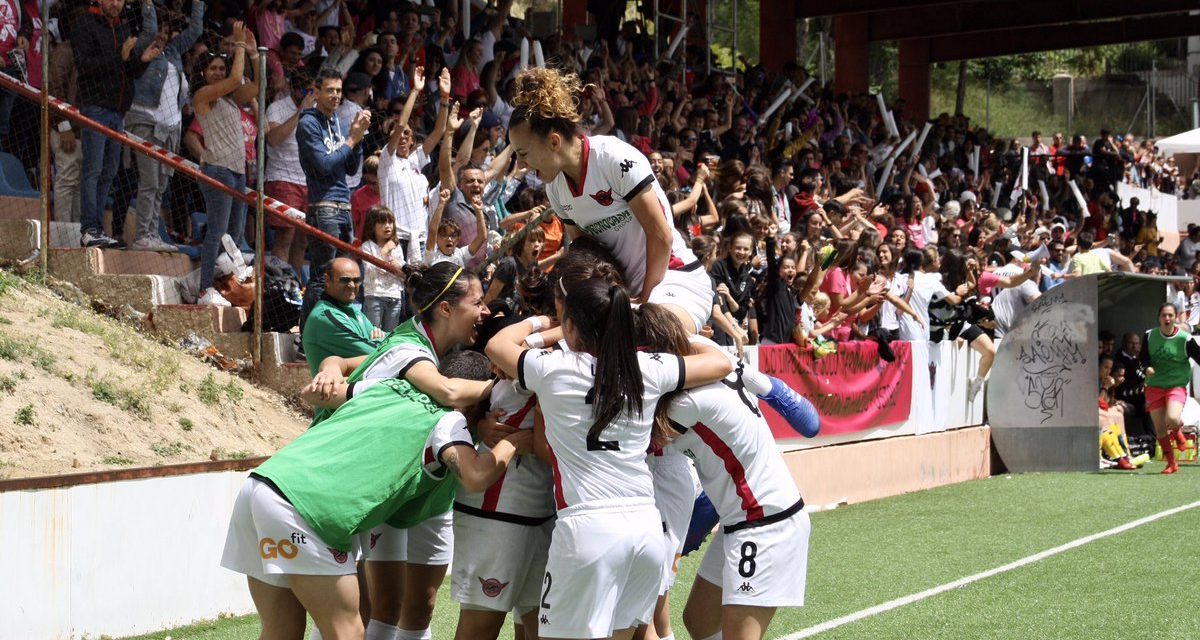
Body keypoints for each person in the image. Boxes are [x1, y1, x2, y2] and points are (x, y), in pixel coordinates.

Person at [221, 342, 530, 640]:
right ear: (473, 401)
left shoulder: (389, 386)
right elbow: (475, 476)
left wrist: (331, 366)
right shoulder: (448, 421)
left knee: (281, 631)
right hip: (304, 509)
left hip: (261, 485)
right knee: (349, 632)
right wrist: (514, 441)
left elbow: (314, 394)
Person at [485, 282, 734, 640]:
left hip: (587, 527)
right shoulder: (647, 367)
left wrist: (541, 325)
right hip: (644, 526)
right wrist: (670, 336)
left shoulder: (552, 367)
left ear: (570, 326)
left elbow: (497, 345)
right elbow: (720, 362)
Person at [308, 261, 494, 640]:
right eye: (478, 302)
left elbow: (345, 364)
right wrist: (518, 381)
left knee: (399, 608)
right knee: (365, 610)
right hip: (351, 482)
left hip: (402, 484)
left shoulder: (433, 347)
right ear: (446, 308)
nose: (485, 310)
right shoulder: (408, 348)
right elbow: (450, 393)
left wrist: (330, 365)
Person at [635, 308, 811, 640]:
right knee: (699, 621)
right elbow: (811, 423)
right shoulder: (719, 360)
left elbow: (634, 443)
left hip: (764, 522)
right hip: (740, 519)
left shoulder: (684, 404)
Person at [507, 67, 713, 336]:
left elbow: (661, 234)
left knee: (648, 335)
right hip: (622, 295)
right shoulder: (556, 189)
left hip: (674, 277)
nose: (521, 166)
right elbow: (586, 252)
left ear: (554, 142)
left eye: (523, 154)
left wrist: (645, 300)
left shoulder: (613, 158)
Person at [73, 0, 162, 248]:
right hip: (96, 108)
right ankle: (89, 229)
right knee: (93, 170)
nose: (116, 4)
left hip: (118, 112)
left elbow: (128, 70)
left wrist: (142, 60)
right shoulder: (84, 24)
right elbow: (84, 66)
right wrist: (119, 56)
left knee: (109, 172)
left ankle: (98, 229)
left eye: (120, 0)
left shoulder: (122, 28)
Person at [125, 0, 205, 252]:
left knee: (160, 184)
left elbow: (194, 30)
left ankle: (151, 233)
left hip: (171, 128)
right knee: (149, 181)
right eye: (159, 29)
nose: (161, 35)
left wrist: (198, 4)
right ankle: (141, 236)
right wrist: (148, 4)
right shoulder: (140, 49)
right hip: (145, 122)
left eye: (166, 31)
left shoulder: (172, 52)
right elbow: (149, 30)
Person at [297, 66, 372, 327]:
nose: (335, 96)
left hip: (343, 205)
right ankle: (306, 337)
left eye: (339, 91)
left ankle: (332, 329)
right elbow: (325, 165)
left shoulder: (337, 123)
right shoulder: (308, 123)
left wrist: (359, 139)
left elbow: (351, 168)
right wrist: (352, 139)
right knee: (323, 275)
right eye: (329, 90)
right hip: (323, 206)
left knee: (343, 275)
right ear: (316, 92)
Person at [192, 23, 259, 306]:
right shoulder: (203, 96)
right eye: (213, 69)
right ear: (203, 74)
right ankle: (204, 288)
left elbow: (258, 87)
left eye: (222, 68)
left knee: (234, 236)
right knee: (217, 232)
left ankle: (223, 286)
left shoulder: (231, 101)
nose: (218, 73)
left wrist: (255, 55)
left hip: (236, 172)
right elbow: (234, 81)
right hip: (217, 169)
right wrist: (240, 46)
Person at [380, 66, 451, 263]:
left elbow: (439, 131)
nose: (402, 136)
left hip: (420, 239)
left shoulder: (415, 161)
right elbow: (401, 124)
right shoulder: (387, 160)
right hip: (396, 239)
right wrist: (415, 91)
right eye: (397, 134)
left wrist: (445, 97)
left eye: (407, 134)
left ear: (413, 140)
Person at [265, 70, 317, 277]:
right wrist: (301, 112)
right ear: (293, 88)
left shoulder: (317, 110)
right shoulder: (277, 108)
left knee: (303, 240)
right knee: (285, 235)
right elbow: (274, 139)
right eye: (304, 90)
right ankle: (279, 283)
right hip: (282, 177)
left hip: (308, 180)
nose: (308, 95)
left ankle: (294, 287)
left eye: (312, 90)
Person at [1141, 302, 1200, 475]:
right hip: (1154, 386)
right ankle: (1171, 463)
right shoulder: (1149, 336)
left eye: (1170, 315)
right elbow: (1143, 358)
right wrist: (1146, 368)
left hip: (1176, 385)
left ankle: (1178, 430)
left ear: (1175, 318)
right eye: (1163, 315)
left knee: (1172, 418)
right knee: (1159, 428)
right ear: (1159, 318)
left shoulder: (1185, 339)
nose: (1167, 318)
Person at [300, 256, 382, 377]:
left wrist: (378, 340)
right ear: (327, 280)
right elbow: (379, 354)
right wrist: (377, 340)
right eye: (345, 280)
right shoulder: (325, 317)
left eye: (357, 280)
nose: (352, 285)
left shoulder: (352, 310)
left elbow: (385, 342)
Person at [360, 205, 408, 332]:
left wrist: (397, 268)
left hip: (394, 296)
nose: (388, 226)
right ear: (372, 226)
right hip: (374, 296)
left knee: (389, 335)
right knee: (372, 334)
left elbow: (402, 273)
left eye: (390, 222)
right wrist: (385, 251)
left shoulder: (396, 247)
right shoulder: (367, 247)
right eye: (382, 222)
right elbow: (375, 270)